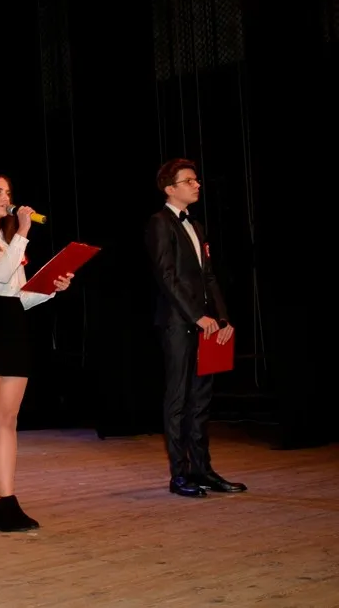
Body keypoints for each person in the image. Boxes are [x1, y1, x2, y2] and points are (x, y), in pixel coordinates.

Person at [0, 172, 73, 532]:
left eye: (8, 192)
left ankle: (8, 499)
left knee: (8, 418)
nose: (6, 198)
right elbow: (0, 275)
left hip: (12, 323)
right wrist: (23, 231)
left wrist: (50, 288)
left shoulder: (9, 242)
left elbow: (19, 296)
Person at [144, 158, 246, 498]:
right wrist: (195, 316)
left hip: (206, 325)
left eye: (196, 179)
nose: (197, 184)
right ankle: (179, 474)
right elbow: (166, 276)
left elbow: (208, 276)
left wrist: (222, 318)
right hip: (178, 324)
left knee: (201, 400)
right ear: (170, 188)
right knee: (177, 399)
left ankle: (203, 470)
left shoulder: (197, 225)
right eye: (189, 180)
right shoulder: (160, 223)